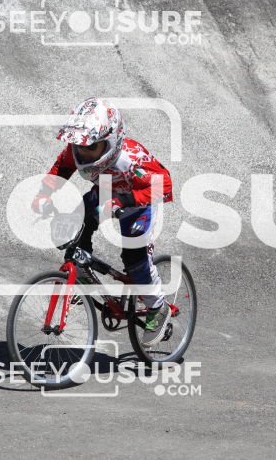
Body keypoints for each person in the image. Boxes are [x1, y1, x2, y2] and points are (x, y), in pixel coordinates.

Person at [32, 97, 174, 347]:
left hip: (137, 202)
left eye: (91, 146)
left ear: (111, 141)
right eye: (79, 146)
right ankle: (83, 275)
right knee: (78, 224)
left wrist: (126, 201)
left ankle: (158, 307)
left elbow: (165, 184)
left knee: (134, 259)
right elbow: (62, 168)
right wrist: (44, 194)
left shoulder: (131, 159)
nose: (83, 152)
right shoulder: (76, 150)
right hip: (106, 190)